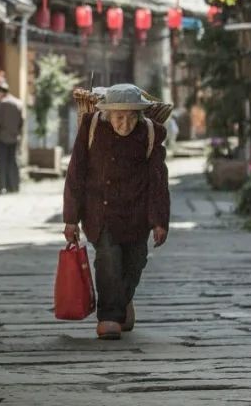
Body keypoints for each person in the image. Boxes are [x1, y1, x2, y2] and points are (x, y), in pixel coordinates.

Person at [62, 83, 170, 340]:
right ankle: (109, 316)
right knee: (108, 259)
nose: (123, 124)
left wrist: (159, 221)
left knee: (135, 261)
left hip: (136, 213)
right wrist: (70, 219)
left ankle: (123, 301)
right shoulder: (92, 127)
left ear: (139, 115)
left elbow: (158, 180)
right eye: (118, 117)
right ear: (107, 114)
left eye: (129, 117)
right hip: (101, 211)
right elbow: (75, 173)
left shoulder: (151, 133)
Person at [0, 81, 24, 194]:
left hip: (2, 137)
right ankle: (14, 186)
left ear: (0, 92)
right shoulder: (18, 103)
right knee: (13, 162)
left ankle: (2, 186)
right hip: (14, 137)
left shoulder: (2, 104)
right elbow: (21, 122)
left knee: (2, 163)